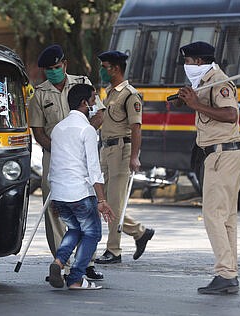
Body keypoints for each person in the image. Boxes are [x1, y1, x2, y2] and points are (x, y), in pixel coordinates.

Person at [28, 44, 106, 280]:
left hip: (82, 153)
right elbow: (38, 131)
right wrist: (61, 148)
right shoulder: (39, 94)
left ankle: (87, 263)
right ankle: (60, 263)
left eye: (56, 67)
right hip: (54, 157)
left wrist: (82, 138)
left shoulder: (82, 83)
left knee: (86, 205)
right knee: (56, 210)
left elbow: (100, 113)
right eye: (48, 69)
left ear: (65, 65)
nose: (53, 72)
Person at [175, 41, 240, 295]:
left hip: (223, 153)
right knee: (226, 216)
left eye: (188, 62)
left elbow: (230, 115)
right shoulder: (204, 81)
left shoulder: (219, 81)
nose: (186, 66)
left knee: (213, 214)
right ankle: (229, 273)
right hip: (219, 153)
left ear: (199, 62)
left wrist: (196, 105)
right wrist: (190, 101)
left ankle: (225, 273)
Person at [47, 83, 115, 290]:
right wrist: (102, 200)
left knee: (74, 228)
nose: (96, 103)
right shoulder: (87, 129)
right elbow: (94, 169)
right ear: (85, 103)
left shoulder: (58, 129)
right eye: (94, 99)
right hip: (79, 193)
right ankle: (76, 278)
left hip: (58, 192)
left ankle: (59, 262)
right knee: (93, 233)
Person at [94, 51, 155, 265]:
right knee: (104, 200)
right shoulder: (110, 92)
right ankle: (140, 232)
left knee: (115, 202)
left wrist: (135, 156)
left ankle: (114, 250)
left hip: (122, 150)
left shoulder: (130, 95)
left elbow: (136, 128)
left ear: (116, 69)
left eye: (105, 66)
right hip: (106, 149)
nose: (102, 70)